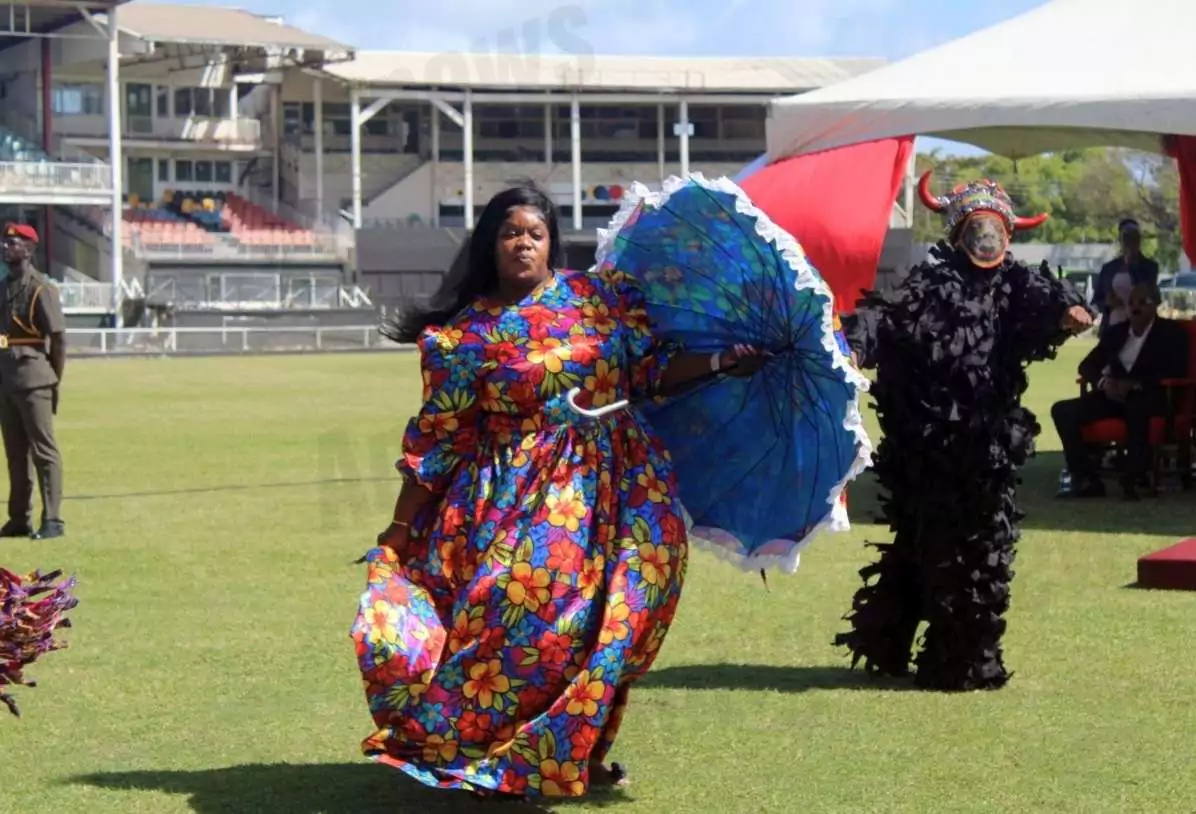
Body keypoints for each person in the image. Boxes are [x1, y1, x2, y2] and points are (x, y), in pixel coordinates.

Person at [350, 186, 762, 800]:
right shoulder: (465, 336)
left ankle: (578, 750)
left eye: (534, 233)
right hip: (523, 493)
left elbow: (649, 370)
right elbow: (437, 436)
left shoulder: (599, 298)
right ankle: (503, 752)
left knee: (619, 620)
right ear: (491, 245)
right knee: (532, 614)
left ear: (551, 243)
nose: (522, 242)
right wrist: (401, 529)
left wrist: (723, 361)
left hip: (624, 484)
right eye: (510, 233)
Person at [837, 172, 1092, 692]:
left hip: (985, 448)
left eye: (994, 229)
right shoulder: (928, 286)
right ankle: (936, 659)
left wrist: (1068, 313)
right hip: (926, 446)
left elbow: (1048, 298)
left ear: (1008, 235)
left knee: (972, 549)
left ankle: (947, 656)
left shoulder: (1015, 285)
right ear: (958, 235)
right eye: (977, 230)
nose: (987, 240)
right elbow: (883, 319)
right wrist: (854, 346)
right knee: (928, 543)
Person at [1052, 282, 1188, 500]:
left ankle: (1134, 476)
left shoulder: (1172, 334)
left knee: (1136, 407)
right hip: (1112, 396)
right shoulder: (1117, 332)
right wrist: (1104, 383)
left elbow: (1176, 369)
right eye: (1132, 302)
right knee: (1062, 410)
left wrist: (1135, 384)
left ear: (1156, 305)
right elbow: (1087, 366)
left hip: (1151, 396)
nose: (1135, 307)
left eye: (1143, 302)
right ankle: (1085, 478)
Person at [0, 224, 66, 541]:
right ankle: (18, 518)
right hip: (6, 379)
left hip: (34, 377)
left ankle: (52, 519)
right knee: (15, 453)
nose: (5, 246)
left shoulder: (41, 288)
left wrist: (53, 378)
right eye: (4, 241)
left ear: (28, 249)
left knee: (43, 451)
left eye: (13, 242)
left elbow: (58, 338)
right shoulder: (3, 287)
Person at [1093, 218, 1159, 336]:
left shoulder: (1150, 268)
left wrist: (1133, 264)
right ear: (1120, 241)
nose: (1130, 243)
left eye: (1134, 239)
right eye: (1126, 239)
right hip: (1113, 328)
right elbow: (1097, 301)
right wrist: (1108, 303)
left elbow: (1155, 298)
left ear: (1139, 241)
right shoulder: (1109, 269)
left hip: (1140, 329)